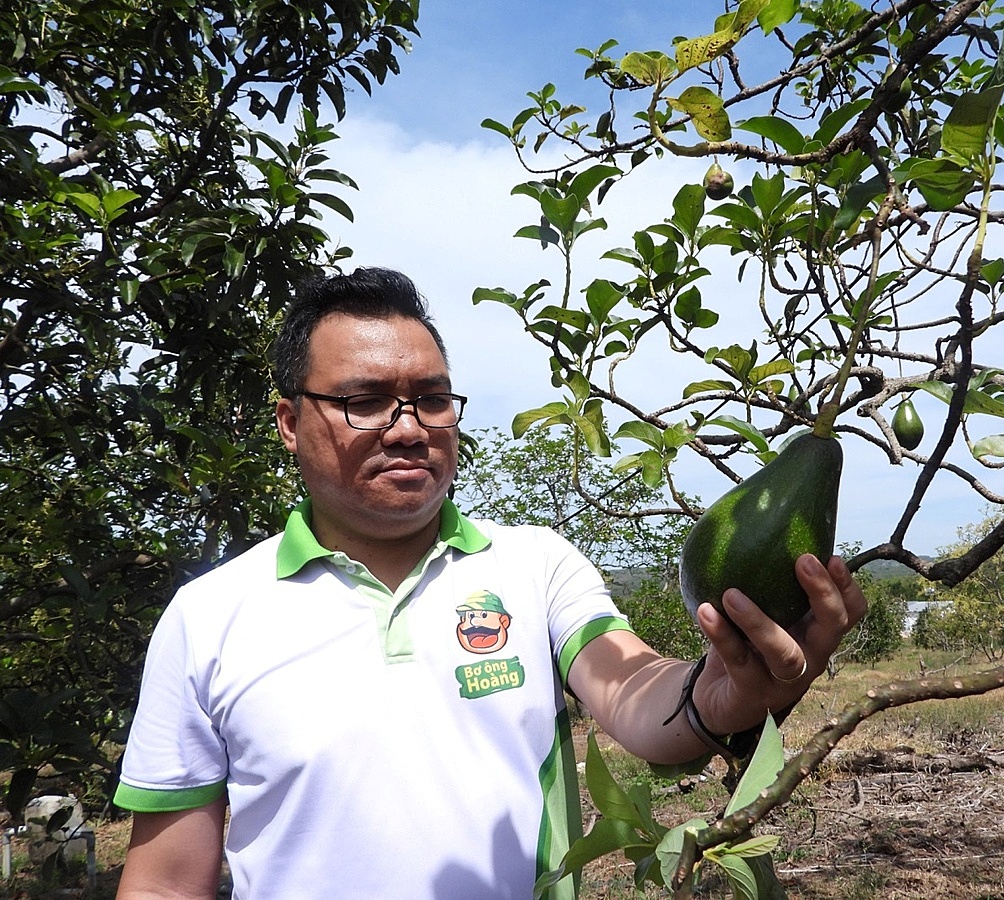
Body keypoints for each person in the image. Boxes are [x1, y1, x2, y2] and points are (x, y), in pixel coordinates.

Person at [113, 267, 866, 899]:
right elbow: (165, 882)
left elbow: (637, 698)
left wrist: (731, 688)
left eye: (431, 399)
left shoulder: (534, 564)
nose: (408, 427)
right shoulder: (208, 613)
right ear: (288, 421)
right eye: (364, 401)